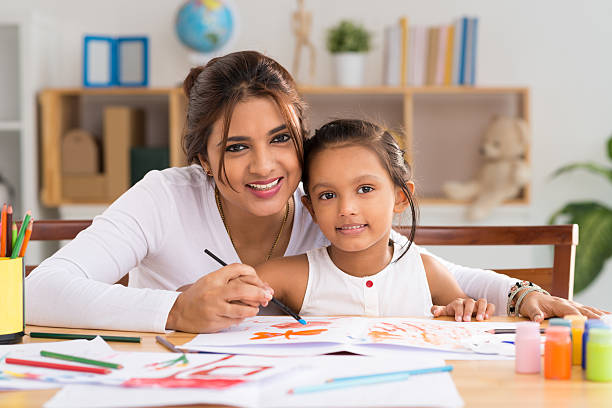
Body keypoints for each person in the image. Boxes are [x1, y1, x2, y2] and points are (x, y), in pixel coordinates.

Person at [25, 51, 607, 334]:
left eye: (281, 138)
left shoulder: (322, 203)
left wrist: (520, 296)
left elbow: (420, 266)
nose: (265, 167)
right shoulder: (164, 197)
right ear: (202, 156)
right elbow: (41, 291)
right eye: (234, 147)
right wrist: (174, 309)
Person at [256, 118, 492, 318]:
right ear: (312, 209)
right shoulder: (290, 276)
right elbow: (229, 297)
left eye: (365, 189)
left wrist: (465, 309)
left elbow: (464, 319)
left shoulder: (427, 272)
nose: (346, 209)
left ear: (400, 198)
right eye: (328, 195)